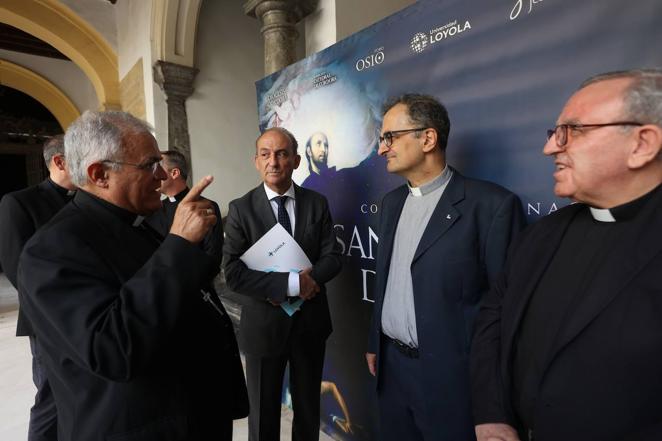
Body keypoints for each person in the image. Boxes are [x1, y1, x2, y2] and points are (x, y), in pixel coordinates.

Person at [17, 110, 248, 441]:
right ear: (100, 174)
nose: (161, 175)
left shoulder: (132, 224)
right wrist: (179, 244)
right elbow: (112, 348)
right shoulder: (51, 249)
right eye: (149, 165)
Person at [471, 69, 662, 441]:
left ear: (642, 144)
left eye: (572, 131)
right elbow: (492, 322)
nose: (550, 148)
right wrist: (491, 416)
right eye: (554, 133)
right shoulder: (539, 236)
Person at [366, 94, 524, 441]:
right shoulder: (391, 203)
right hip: (391, 370)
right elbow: (386, 283)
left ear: (427, 138)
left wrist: (496, 400)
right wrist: (375, 343)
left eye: (390, 137)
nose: (382, 149)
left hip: (451, 380)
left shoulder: (492, 207)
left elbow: (506, 313)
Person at [224, 127, 342, 441]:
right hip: (263, 328)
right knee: (262, 417)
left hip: (310, 324)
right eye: (265, 154)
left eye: (281, 154)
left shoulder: (317, 203)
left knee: (307, 411)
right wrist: (290, 284)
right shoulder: (240, 209)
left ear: (296, 160)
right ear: (256, 161)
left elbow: (333, 256)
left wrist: (308, 281)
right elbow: (232, 272)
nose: (273, 161)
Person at [0, 135, 75, 441]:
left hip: (87, 314)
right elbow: (16, 266)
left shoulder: (86, 199)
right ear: (58, 161)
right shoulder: (19, 202)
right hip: (47, 318)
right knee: (51, 397)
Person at [148, 149, 223, 269]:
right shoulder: (153, 210)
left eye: (158, 167)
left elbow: (213, 258)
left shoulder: (206, 206)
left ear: (174, 173)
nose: (154, 174)